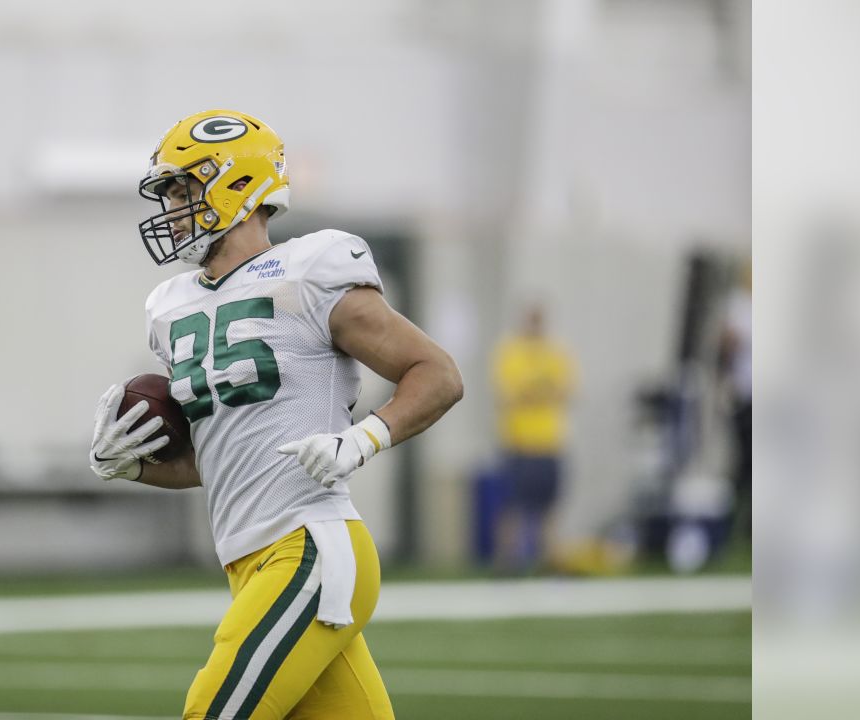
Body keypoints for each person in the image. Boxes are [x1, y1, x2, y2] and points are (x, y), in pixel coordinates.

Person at [88, 109, 462, 720]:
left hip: (310, 545)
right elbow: (222, 457)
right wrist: (130, 466)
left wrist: (365, 438)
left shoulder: (308, 272)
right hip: (249, 559)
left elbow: (438, 375)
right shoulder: (169, 306)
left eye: (184, 189)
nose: (173, 208)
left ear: (238, 184)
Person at [490, 303, 575, 573]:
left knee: (549, 507)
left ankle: (549, 561)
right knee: (512, 505)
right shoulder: (510, 352)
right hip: (519, 442)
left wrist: (534, 390)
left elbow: (565, 391)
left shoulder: (556, 352)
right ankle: (509, 563)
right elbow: (509, 395)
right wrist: (541, 389)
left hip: (549, 442)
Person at [718, 261, 752, 540]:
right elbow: (729, 345)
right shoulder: (740, 305)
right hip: (746, 393)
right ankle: (731, 526)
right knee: (744, 462)